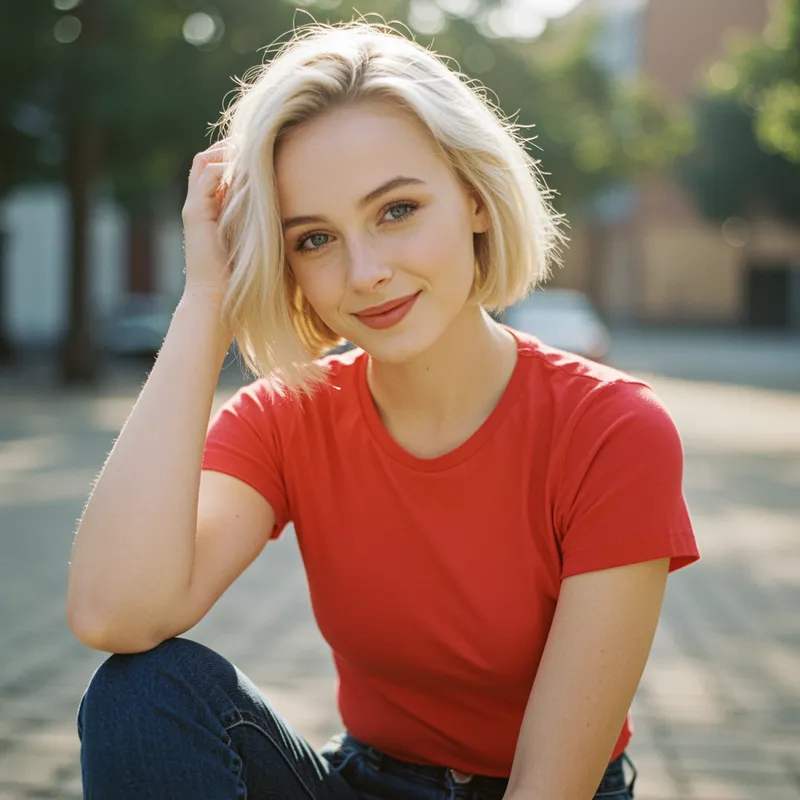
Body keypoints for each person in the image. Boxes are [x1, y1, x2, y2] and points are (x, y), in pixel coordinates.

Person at [67, 21, 699, 800]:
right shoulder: (287, 416)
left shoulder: (612, 430)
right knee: (143, 693)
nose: (366, 272)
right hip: (365, 782)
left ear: (474, 197)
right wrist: (205, 303)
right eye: (315, 239)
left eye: (396, 210)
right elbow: (112, 613)